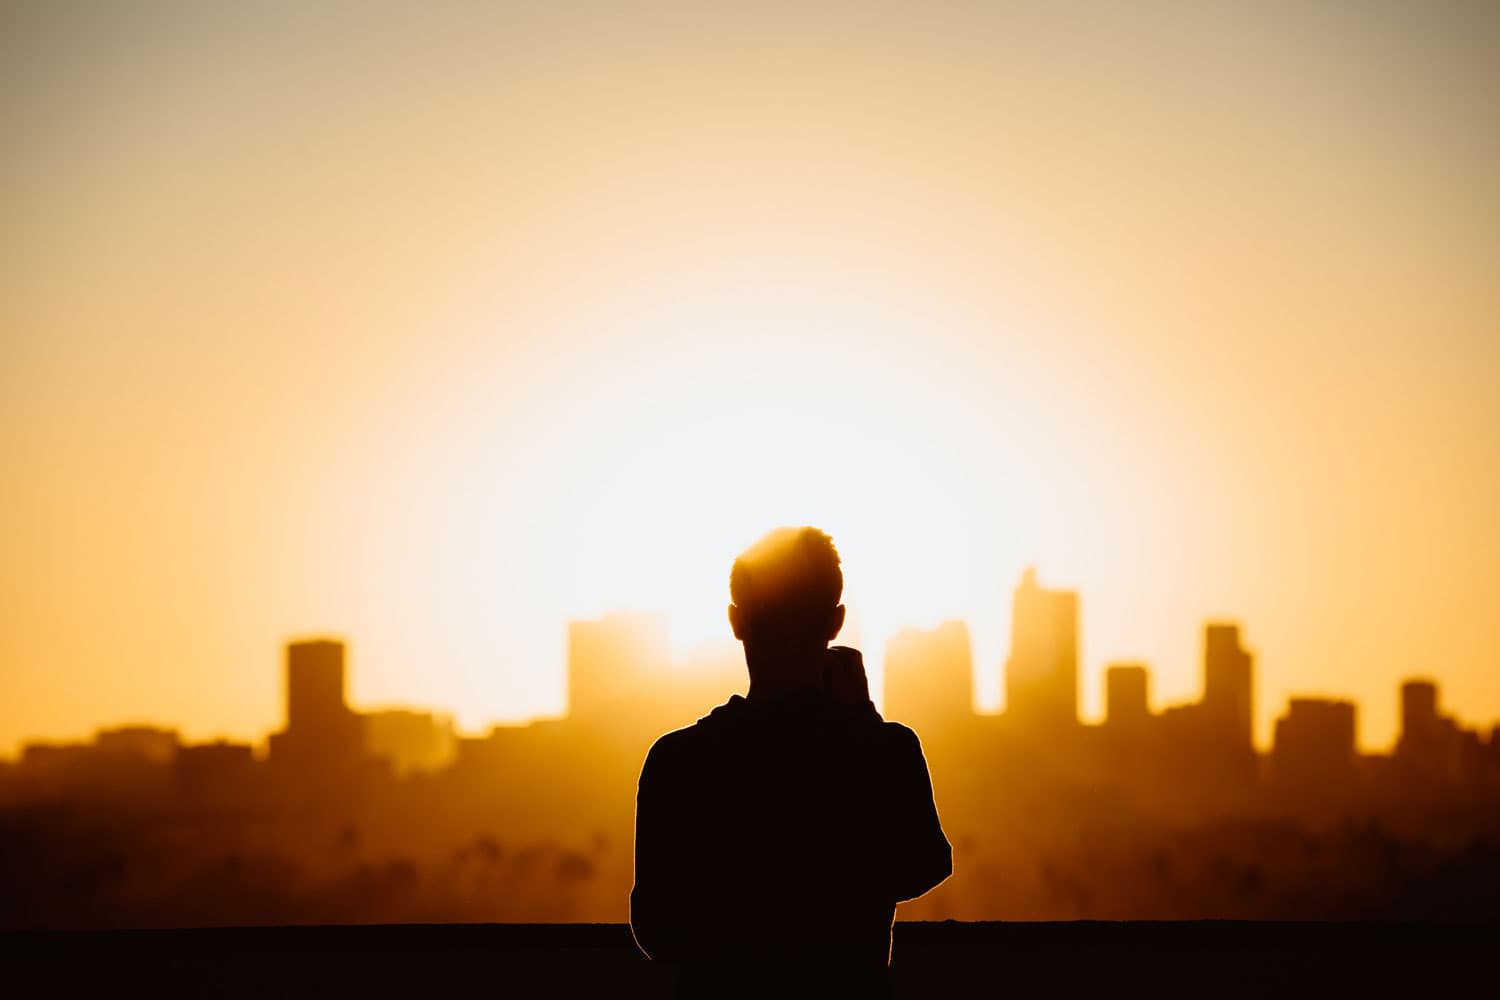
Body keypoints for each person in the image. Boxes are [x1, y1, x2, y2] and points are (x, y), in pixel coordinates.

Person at [630, 526, 952, 997]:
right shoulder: (884, 750)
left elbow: (656, 930)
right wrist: (863, 723)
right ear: (835, 622)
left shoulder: (678, 761)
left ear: (735, 620)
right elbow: (923, 863)